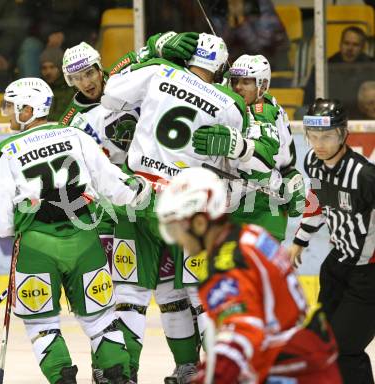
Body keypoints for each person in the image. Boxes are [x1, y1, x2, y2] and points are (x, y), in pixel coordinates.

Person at [102, 32, 288, 382]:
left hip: (138, 197)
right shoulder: (230, 103)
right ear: (221, 69)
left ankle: (120, 373)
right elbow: (261, 162)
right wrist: (241, 147)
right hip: (189, 208)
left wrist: (147, 50)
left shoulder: (158, 70)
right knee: (200, 293)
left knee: (130, 293)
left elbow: (109, 94)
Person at [0, 77, 151, 384]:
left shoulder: (5, 151)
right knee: (102, 321)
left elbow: (2, 224)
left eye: (11, 106)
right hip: (85, 240)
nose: (7, 112)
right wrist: (141, 189)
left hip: (37, 248)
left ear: (28, 109)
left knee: (43, 327)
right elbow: (117, 187)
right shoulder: (75, 135)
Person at [58, 33, 201, 383]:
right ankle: (122, 369)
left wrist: (159, 43)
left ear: (99, 67)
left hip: (171, 198)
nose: (86, 82)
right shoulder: (73, 123)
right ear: (68, 81)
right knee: (128, 293)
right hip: (127, 211)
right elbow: (73, 171)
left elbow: (148, 55)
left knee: (173, 291)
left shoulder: (127, 80)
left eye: (89, 72)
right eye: (76, 78)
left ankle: (189, 367)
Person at [156, 167, 342, 384]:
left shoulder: (228, 263)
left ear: (199, 223)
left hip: (291, 372)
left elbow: (239, 337)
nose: (177, 240)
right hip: (309, 361)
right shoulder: (250, 235)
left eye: (177, 230)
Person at [288, 98, 375, 384]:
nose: (319, 143)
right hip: (336, 265)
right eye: (313, 136)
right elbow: (316, 202)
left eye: (327, 136)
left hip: (368, 274)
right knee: (321, 344)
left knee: (346, 349)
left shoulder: (364, 176)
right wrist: (300, 240)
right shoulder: (312, 162)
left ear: (343, 135)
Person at [193, 54, 304, 242]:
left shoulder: (264, 112)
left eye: (246, 82)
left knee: (260, 268)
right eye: (235, 81)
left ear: (262, 85)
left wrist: (237, 147)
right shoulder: (259, 105)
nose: (238, 87)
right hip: (242, 203)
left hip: (263, 205)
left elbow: (261, 161)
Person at [304, 26, 373, 105]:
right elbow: (308, 101)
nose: (350, 48)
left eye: (355, 45)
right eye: (346, 43)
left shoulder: (371, 68)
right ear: (340, 44)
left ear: (363, 48)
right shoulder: (324, 67)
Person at [39, 47, 75, 121]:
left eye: (52, 67)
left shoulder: (72, 89)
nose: (48, 72)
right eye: (44, 68)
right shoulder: (38, 90)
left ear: (61, 68)